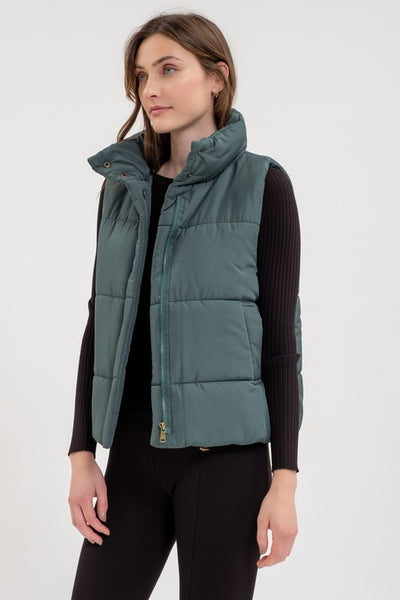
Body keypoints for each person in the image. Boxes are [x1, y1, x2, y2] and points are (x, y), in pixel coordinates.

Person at [67, 11, 303, 600]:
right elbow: (101, 320)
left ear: (217, 77)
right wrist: (81, 453)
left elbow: (281, 344)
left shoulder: (263, 185)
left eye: (169, 69)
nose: (151, 88)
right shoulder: (121, 189)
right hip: (132, 455)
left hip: (226, 463)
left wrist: (285, 480)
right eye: (142, 75)